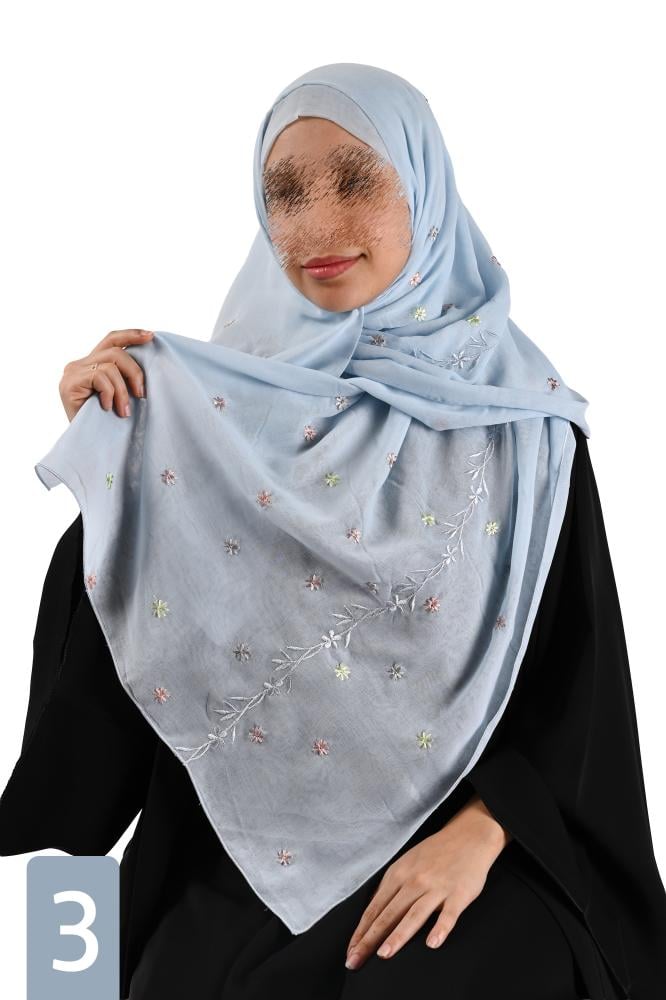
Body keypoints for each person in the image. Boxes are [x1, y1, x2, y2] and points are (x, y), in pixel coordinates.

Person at [1, 62, 665, 1000]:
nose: (316, 227)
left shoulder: (526, 434)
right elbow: (107, 734)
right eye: (285, 193)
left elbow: (579, 701)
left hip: (468, 846)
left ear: (426, 193)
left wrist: (487, 829)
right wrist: (116, 485)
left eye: (357, 182)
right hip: (240, 859)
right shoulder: (210, 425)